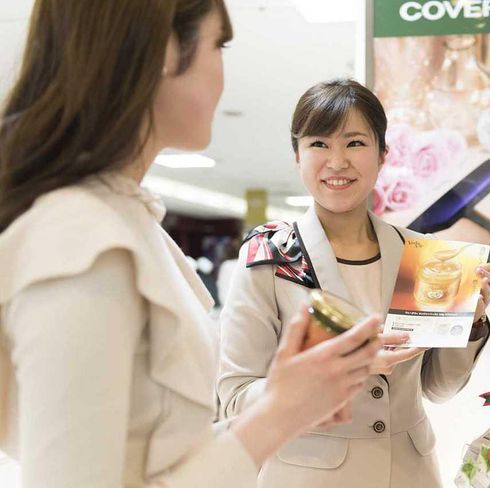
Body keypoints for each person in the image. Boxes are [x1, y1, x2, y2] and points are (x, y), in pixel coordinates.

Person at [0, 2, 381, 487]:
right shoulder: (82, 240)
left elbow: (161, 449)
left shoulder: (130, 223)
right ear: (164, 50)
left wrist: (289, 403)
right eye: (218, 45)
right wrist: (277, 415)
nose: (223, 75)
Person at [217, 78, 490, 487]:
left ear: (382, 155)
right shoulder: (269, 258)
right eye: (319, 144)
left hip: (410, 473)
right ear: (297, 155)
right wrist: (343, 368)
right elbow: (237, 398)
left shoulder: (423, 255)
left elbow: (438, 388)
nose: (337, 162)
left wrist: (469, 322)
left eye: (354, 143)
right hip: (308, 476)